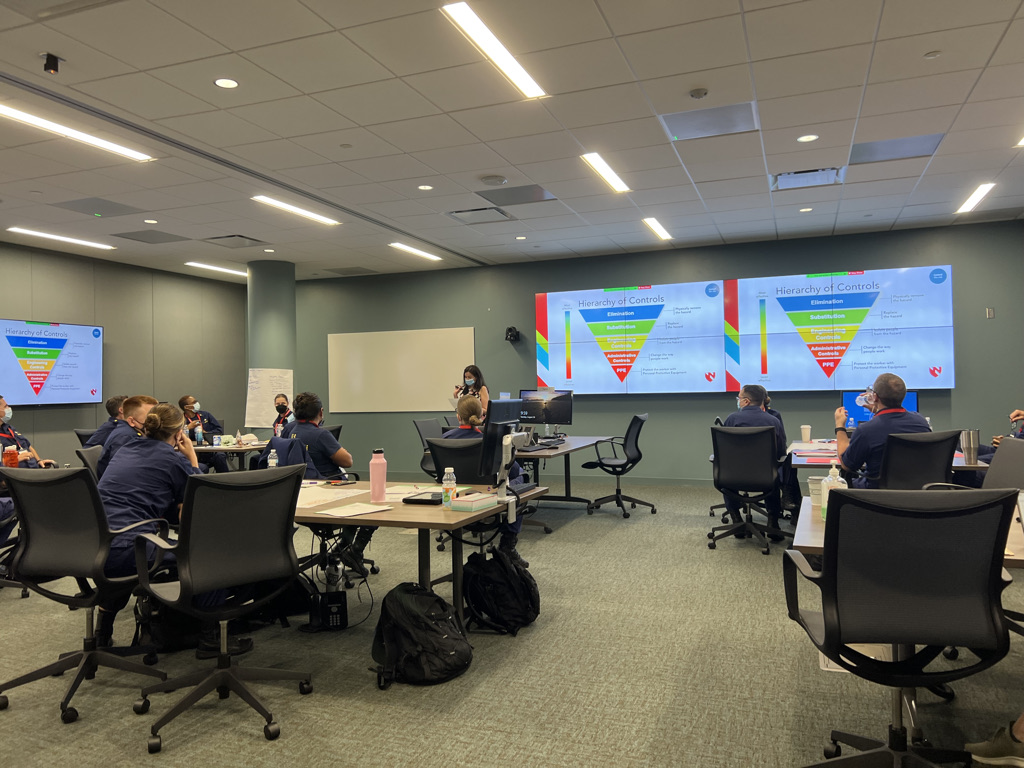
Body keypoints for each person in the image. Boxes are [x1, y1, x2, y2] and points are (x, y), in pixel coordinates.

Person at [95, 403, 252, 658]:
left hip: (96, 545)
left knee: (122, 557)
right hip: (131, 548)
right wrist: (191, 457)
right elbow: (194, 510)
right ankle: (210, 638)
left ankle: (101, 634)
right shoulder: (172, 459)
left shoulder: (124, 449)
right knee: (206, 555)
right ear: (180, 434)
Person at [283, 392, 373, 576]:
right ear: (321, 412)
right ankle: (353, 550)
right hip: (327, 496)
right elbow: (348, 461)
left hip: (297, 499)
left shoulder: (288, 430)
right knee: (372, 503)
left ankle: (342, 548)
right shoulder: (320, 434)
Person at [442, 394, 530, 567]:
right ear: (482, 416)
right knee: (520, 480)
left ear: (458, 416)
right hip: (488, 495)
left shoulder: (446, 438)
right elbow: (510, 470)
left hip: (456, 497)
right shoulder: (489, 441)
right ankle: (508, 543)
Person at [833, 372, 931, 487]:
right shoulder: (921, 422)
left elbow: (846, 464)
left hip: (877, 496)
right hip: (918, 494)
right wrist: (877, 411)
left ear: (874, 397)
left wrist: (840, 426)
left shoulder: (866, 430)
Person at [722, 384, 786, 537]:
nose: (738, 400)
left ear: (746, 401)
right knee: (774, 473)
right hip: (765, 478)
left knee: (726, 470)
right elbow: (781, 452)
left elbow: (723, 453)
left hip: (733, 478)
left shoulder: (732, 419)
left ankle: (736, 519)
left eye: (739, 398)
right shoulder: (773, 421)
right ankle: (772, 522)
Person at [96, 395, 158, 478]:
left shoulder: (131, 431)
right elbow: (122, 472)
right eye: (149, 419)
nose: (154, 423)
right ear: (132, 421)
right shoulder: (126, 437)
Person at [0, 395, 57, 468]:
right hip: (14, 475)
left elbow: (27, 445)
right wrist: (15, 459)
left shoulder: (9, 428)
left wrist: (39, 461)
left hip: (32, 470)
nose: (9, 409)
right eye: (5, 407)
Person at [179, 395, 230, 473]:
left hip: (210, 451)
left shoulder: (206, 415)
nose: (197, 404)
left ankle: (225, 481)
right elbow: (175, 435)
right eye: (194, 402)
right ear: (186, 407)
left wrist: (205, 433)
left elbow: (219, 431)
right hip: (192, 452)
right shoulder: (180, 419)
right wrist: (187, 428)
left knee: (220, 456)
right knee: (203, 468)